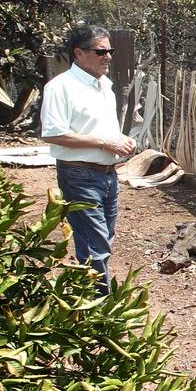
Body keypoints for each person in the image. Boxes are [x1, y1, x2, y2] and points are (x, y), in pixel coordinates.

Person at [40, 25, 136, 293]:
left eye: (110, 51)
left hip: (107, 175)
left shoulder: (105, 86)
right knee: (96, 245)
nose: (108, 56)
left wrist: (120, 140)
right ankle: (99, 308)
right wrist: (105, 142)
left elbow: (101, 129)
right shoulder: (61, 87)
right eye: (100, 51)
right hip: (79, 175)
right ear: (79, 53)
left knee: (102, 240)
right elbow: (53, 133)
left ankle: (88, 300)